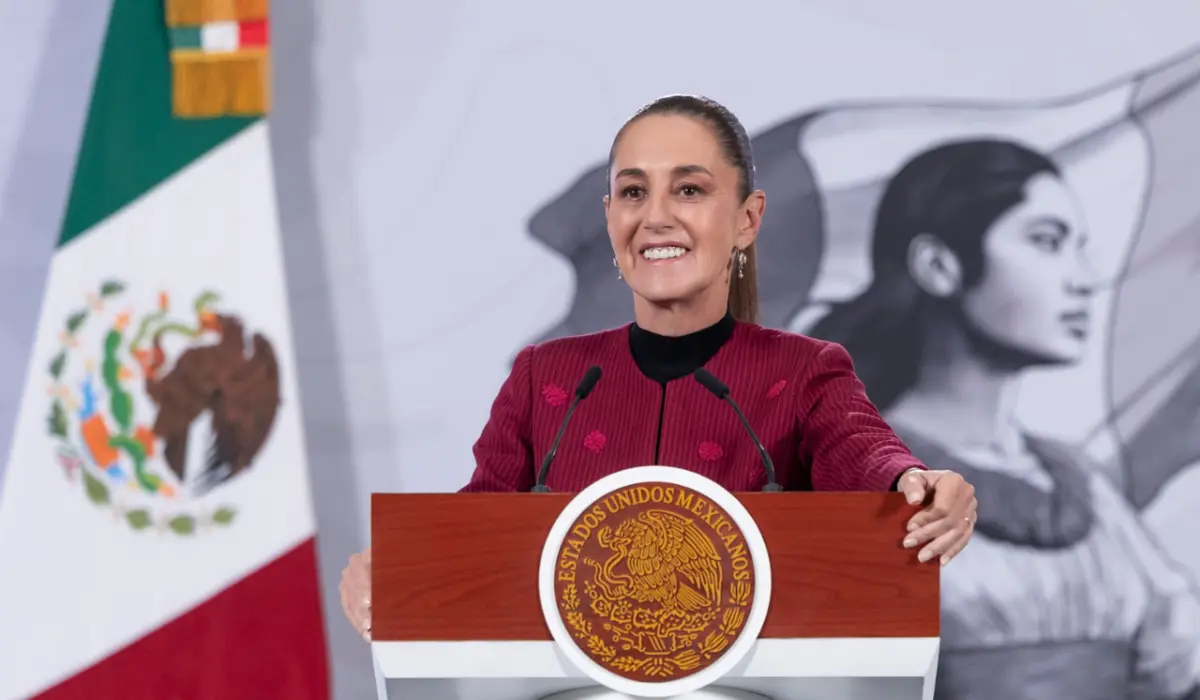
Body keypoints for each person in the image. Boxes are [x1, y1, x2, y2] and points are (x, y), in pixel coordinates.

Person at [339, 95, 979, 642]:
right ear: (613, 216)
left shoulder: (805, 372)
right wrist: (397, 566)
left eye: (691, 190)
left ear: (747, 220)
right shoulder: (546, 379)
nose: (656, 216)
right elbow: (478, 530)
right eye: (633, 192)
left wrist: (917, 486)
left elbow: (864, 456)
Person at [808, 138, 1200, 699]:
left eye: (1079, 247)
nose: (1084, 279)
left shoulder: (1080, 484)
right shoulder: (846, 478)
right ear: (938, 266)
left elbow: (1175, 663)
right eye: (1046, 242)